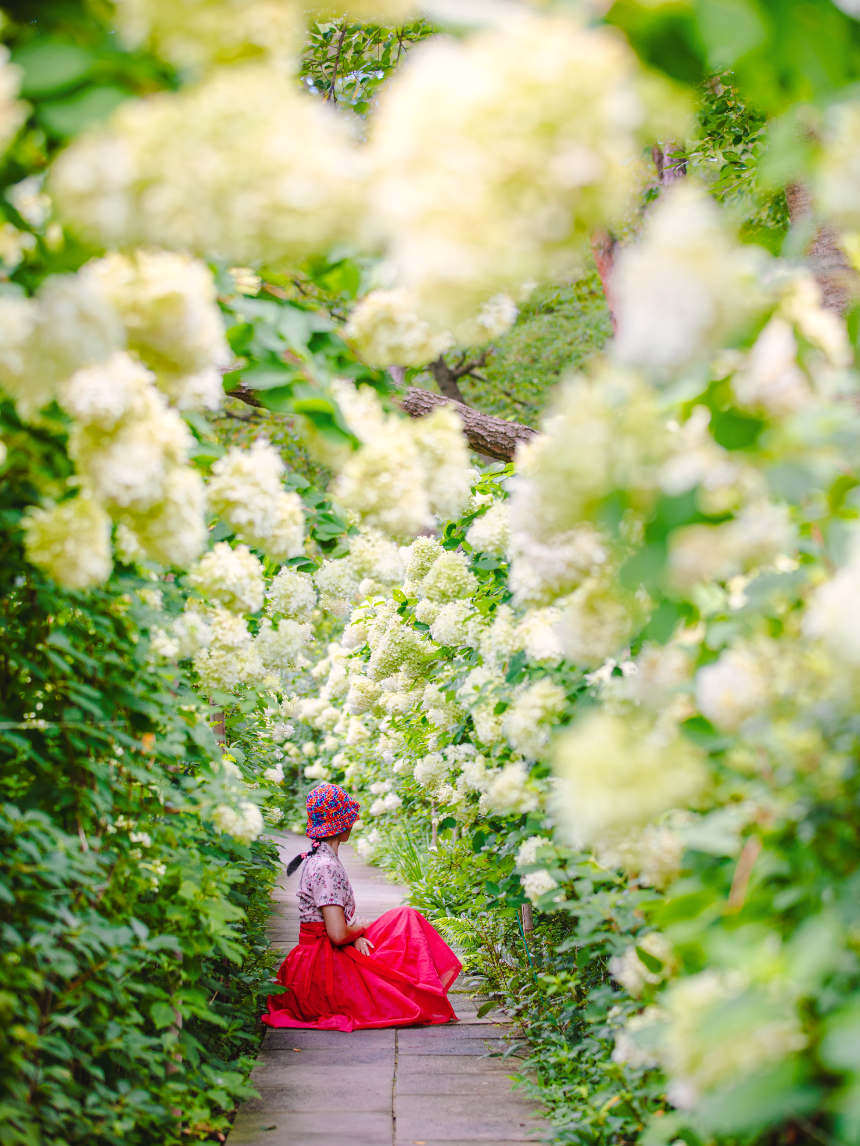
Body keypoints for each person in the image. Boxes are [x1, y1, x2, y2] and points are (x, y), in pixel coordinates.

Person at [262, 782, 462, 1031]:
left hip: (320, 954)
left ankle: (421, 990)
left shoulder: (320, 859)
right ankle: (423, 992)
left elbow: (334, 925)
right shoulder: (325, 865)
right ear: (343, 824)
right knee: (405, 921)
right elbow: (337, 935)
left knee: (402, 918)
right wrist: (360, 928)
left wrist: (355, 933)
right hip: (322, 966)